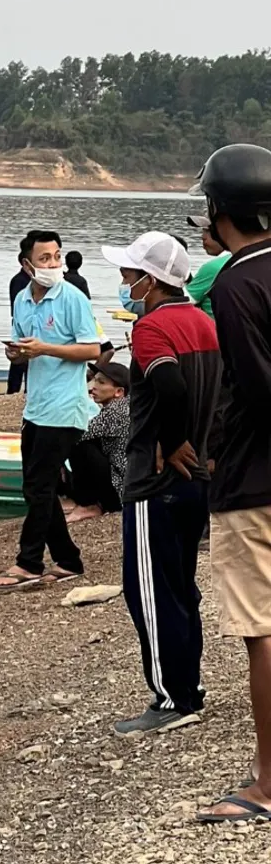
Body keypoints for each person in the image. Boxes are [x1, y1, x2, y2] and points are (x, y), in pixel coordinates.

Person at [98, 232, 221, 738]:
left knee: (148, 587)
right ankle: (187, 685)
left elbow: (168, 384)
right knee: (180, 584)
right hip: (199, 477)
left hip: (156, 480)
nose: (125, 282)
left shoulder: (152, 328)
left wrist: (170, 441)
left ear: (152, 281)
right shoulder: (205, 324)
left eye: (130, 275)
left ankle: (172, 697)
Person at [184, 145, 271, 823]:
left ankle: (267, 784)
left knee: (261, 629)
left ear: (221, 211)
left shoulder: (237, 284)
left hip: (254, 479)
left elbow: (259, 390)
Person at [0, 231, 103, 590]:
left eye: (56, 257)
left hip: (66, 406)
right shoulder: (23, 299)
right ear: (27, 265)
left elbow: (92, 350)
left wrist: (47, 349)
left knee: (39, 486)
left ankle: (29, 562)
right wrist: (16, 354)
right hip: (36, 405)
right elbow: (23, 343)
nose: (53, 265)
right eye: (45, 259)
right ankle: (68, 560)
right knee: (40, 485)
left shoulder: (72, 298)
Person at [61, 361, 129, 523]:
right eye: (94, 380)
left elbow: (77, 435)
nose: (92, 386)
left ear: (119, 392)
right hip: (122, 483)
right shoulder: (125, 406)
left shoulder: (117, 411)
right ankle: (76, 498)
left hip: (120, 492)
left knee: (77, 443)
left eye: (101, 382)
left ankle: (87, 504)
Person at [185, 213, 231, 318]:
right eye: (203, 231)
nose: (203, 237)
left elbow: (175, 304)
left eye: (208, 231)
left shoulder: (214, 267)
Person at [7, 246, 33, 394]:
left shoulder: (31, 281)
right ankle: (13, 391)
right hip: (21, 323)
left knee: (30, 360)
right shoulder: (19, 281)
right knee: (18, 359)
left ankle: (28, 389)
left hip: (30, 324)